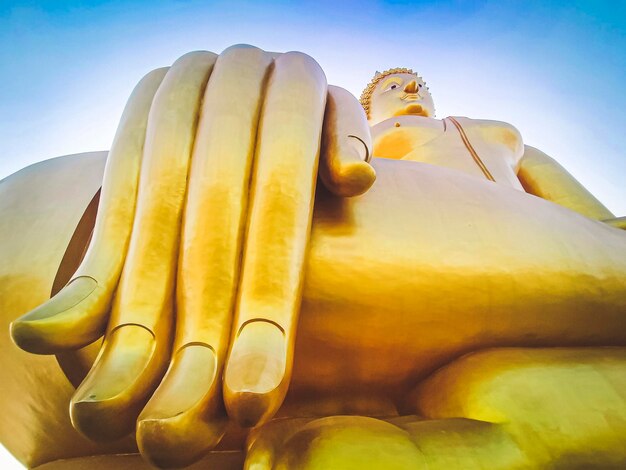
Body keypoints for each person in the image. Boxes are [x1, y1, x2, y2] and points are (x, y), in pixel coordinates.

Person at [1, 46, 625, 468]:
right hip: (368, 238)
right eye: (386, 85)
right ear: (369, 103)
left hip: (537, 256)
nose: (406, 87)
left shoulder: (504, 138)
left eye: (416, 83)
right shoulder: (358, 139)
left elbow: (605, 226)